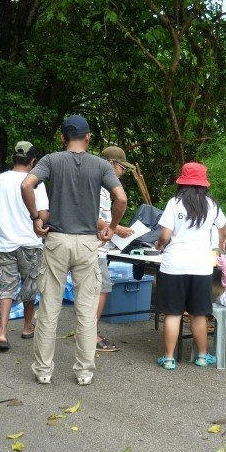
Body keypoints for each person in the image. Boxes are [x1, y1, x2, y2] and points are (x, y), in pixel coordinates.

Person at [20, 115, 127, 385]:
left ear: (62, 137)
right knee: (86, 309)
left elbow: (26, 184)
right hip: (87, 244)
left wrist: (36, 217)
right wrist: (112, 227)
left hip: (57, 241)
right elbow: (121, 198)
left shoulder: (51, 160)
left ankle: (44, 371)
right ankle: (84, 372)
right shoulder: (101, 165)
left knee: (50, 308)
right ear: (88, 137)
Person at [153, 162, 226, 370]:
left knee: (173, 314)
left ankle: (168, 359)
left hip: (174, 265)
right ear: (204, 184)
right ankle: (202, 356)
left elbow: (165, 236)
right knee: (198, 313)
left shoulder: (174, 203)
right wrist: (220, 247)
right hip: (201, 266)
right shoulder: (212, 205)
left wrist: (158, 245)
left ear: (182, 182)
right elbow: (223, 229)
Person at [0, 141, 49, 352]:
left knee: (5, 287)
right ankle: (27, 327)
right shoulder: (36, 183)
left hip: (5, 244)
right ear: (32, 161)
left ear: (14, 159)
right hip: (30, 243)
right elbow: (44, 215)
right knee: (31, 286)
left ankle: (2, 332)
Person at [95, 145, 136, 352]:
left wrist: (116, 229)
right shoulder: (97, 185)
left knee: (98, 290)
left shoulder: (103, 187)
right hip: (94, 248)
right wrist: (116, 229)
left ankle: (89, 332)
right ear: (110, 164)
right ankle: (91, 335)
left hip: (99, 247)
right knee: (102, 289)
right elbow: (92, 218)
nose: (123, 172)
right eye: (122, 167)